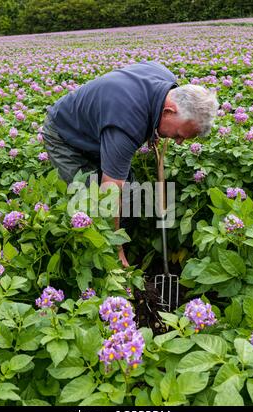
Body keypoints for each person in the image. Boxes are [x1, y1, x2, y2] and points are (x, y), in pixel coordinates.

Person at [42, 61, 219, 267]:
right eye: (179, 135)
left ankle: (124, 246)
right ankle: (100, 264)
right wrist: (117, 249)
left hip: (100, 127)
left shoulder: (168, 82)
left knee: (131, 197)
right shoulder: (126, 124)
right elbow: (109, 193)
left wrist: (153, 126)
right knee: (90, 205)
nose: (178, 142)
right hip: (65, 136)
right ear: (169, 111)